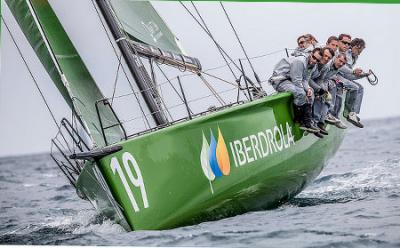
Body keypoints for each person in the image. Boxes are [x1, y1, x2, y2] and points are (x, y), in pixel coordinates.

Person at [269, 48, 322, 133]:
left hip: (291, 79)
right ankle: (299, 120)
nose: (314, 60)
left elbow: (305, 79)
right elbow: (296, 81)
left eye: (317, 60)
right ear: (311, 54)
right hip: (280, 80)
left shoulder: (313, 65)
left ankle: (308, 121)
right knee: (300, 93)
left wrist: (308, 88)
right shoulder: (300, 61)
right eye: (313, 57)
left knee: (310, 93)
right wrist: (304, 91)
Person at [335, 38, 368, 128]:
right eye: (359, 50)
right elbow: (344, 72)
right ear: (356, 47)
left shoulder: (354, 57)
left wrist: (363, 75)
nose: (360, 52)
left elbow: (349, 75)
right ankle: (348, 113)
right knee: (355, 87)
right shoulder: (347, 54)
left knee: (360, 88)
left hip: (343, 76)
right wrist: (354, 72)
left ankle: (353, 113)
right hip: (336, 75)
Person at [312, 53, 348, 133]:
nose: (341, 64)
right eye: (340, 61)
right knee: (322, 97)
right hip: (315, 82)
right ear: (335, 58)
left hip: (324, 82)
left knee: (329, 97)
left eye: (343, 63)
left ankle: (321, 122)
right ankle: (315, 122)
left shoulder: (337, 68)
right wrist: (321, 91)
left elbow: (327, 77)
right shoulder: (328, 65)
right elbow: (319, 78)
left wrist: (336, 80)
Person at [309, 47, 336, 136]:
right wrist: (318, 90)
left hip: (315, 83)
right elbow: (307, 78)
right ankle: (313, 122)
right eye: (325, 56)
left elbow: (321, 80)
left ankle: (320, 122)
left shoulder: (326, 67)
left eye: (329, 58)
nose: (326, 59)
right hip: (305, 83)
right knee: (318, 96)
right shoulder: (314, 63)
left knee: (327, 97)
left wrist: (324, 90)